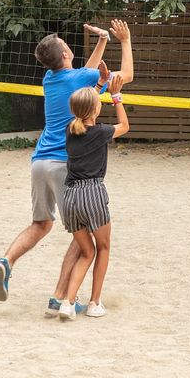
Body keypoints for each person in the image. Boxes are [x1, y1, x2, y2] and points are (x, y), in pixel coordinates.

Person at [0, 19, 134, 315]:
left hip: (38, 162)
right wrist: (124, 40)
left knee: (40, 224)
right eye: (68, 48)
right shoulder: (76, 80)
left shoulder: (50, 79)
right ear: (66, 55)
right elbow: (126, 75)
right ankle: (59, 298)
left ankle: (6, 261)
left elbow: (83, 76)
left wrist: (102, 41)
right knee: (82, 237)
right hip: (63, 164)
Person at [54, 73, 129, 320]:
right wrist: (116, 96)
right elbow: (125, 127)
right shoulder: (99, 132)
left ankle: (68, 302)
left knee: (87, 252)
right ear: (95, 109)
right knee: (104, 247)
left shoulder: (70, 128)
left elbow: (86, 105)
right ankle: (94, 303)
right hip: (92, 192)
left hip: (70, 197)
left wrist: (99, 86)